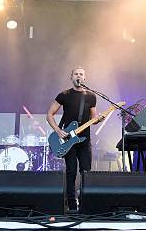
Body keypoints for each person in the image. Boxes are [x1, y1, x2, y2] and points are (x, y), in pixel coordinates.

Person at [47, 67, 104, 212]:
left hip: (84, 140)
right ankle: (71, 205)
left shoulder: (91, 96)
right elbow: (49, 115)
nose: (79, 76)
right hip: (68, 140)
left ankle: (85, 204)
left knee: (86, 172)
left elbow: (93, 118)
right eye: (76, 74)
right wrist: (58, 130)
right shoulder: (64, 95)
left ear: (85, 78)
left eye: (81, 74)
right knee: (71, 172)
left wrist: (99, 119)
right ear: (71, 77)